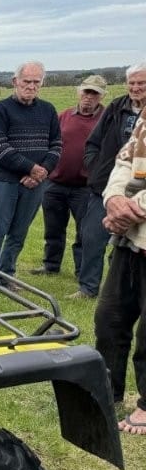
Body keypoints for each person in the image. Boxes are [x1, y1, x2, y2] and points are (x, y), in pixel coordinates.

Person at [0, 61, 61, 281]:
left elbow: (56, 145)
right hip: (4, 182)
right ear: (15, 82)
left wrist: (43, 171)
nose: (31, 86)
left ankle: (6, 275)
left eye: (36, 82)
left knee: (19, 233)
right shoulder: (1, 109)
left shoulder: (48, 110)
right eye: (27, 81)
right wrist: (31, 168)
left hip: (36, 184)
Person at [31, 75, 107, 297]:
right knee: (53, 228)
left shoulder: (106, 119)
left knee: (85, 233)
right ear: (78, 92)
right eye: (86, 92)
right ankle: (50, 264)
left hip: (86, 187)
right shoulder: (64, 116)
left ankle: (82, 272)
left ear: (102, 96)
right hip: (55, 183)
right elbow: (49, 142)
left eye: (94, 93)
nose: (88, 97)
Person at [95, 115, 146, 434]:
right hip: (132, 241)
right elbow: (125, 158)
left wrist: (130, 210)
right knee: (109, 316)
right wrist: (113, 199)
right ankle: (107, 391)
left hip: (135, 222)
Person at [82, 63, 146, 305]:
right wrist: (96, 167)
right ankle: (88, 286)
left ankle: (121, 290)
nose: (136, 87)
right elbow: (94, 141)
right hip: (106, 187)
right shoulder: (117, 107)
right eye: (132, 83)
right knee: (92, 236)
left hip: (138, 194)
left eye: (142, 83)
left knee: (125, 243)